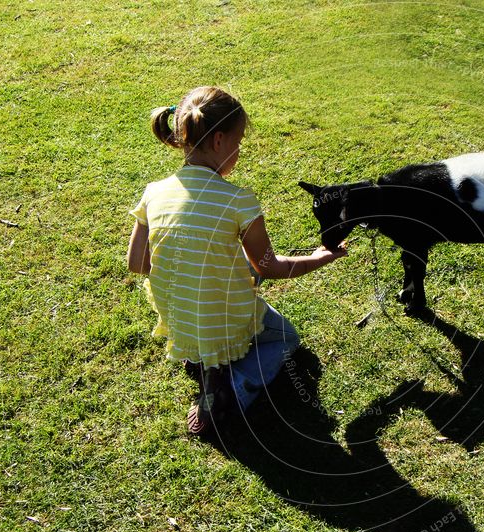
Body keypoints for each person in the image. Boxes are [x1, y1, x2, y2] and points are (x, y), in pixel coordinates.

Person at [126, 86, 347, 435]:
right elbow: (269, 267)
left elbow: (138, 263)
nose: (239, 151)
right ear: (218, 142)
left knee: (235, 273)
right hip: (223, 320)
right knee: (286, 338)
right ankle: (234, 387)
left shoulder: (153, 191)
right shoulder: (238, 200)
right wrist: (320, 257)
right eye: (239, 142)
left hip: (180, 320)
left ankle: (200, 358)